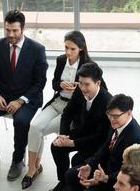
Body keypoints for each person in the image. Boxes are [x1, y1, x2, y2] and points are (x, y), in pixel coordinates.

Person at [21, 31, 100, 189]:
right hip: (58, 102)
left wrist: (80, 87)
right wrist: (61, 84)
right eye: (66, 48)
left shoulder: (89, 65)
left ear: (81, 49)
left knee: (41, 130)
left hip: (72, 109)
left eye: (72, 49)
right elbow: (54, 83)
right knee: (35, 127)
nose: (68, 52)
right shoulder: (61, 60)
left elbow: (99, 88)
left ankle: (35, 169)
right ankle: (32, 169)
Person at [0, 10, 48, 181]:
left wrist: (21, 100)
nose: (11, 34)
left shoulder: (37, 49)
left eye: (15, 30)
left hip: (26, 98)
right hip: (0, 95)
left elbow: (40, 82)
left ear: (22, 29)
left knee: (22, 121)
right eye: (7, 30)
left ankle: (17, 161)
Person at [48, 62, 112, 191]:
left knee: (77, 160)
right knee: (56, 146)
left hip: (96, 142)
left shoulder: (107, 102)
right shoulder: (79, 90)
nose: (82, 87)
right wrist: (64, 136)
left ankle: (72, 183)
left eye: (87, 84)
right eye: (80, 83)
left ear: (98, 83)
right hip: (81, 132)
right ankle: (63, 181)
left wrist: (72, 143)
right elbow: (67, 114)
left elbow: (100, 136)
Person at [65, 94, 140, 191]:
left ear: (129, 113)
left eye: (116, 116)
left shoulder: (137, 139)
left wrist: (105, 178)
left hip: (116, 180)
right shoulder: (117, 124)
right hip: (103, 169)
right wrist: (90, 165)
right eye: (109, 114)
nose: (112, 119)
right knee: (70, 175)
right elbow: (105, 147)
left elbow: (132, 174)